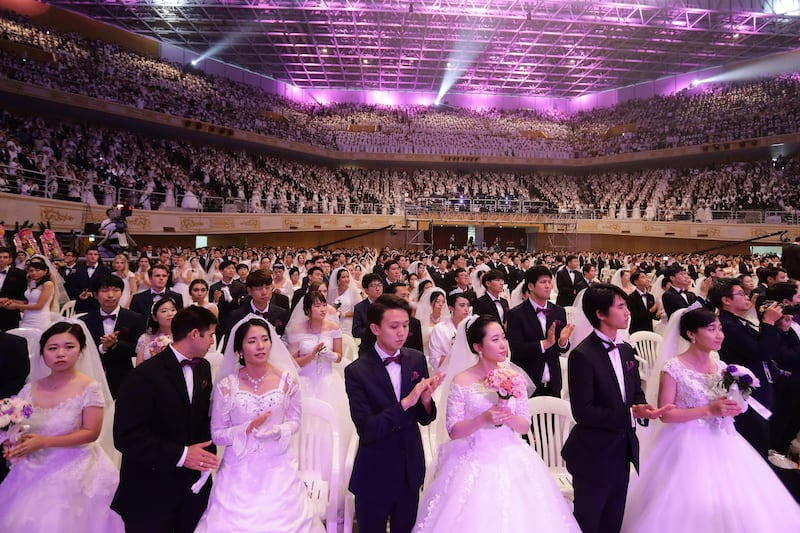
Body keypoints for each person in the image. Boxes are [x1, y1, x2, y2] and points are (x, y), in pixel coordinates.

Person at [621, 309, 800, 532]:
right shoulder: (674, 368)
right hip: (684, 441)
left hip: (724, 439)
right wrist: (708, 410)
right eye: (711, 329)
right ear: (691, 334)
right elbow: (666, 414)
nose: (719, 335)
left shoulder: (724, 368)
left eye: (720, 329)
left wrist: (733, 406)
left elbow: (727, 405)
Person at [413, 315, 580, 533]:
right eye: (495, 339)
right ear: (477, 346)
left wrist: (506, 416)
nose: (503, 344)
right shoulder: (461, 381)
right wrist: (483, 418)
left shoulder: (514, 377)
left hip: (511, 454)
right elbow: (454, 430)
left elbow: (524, 426)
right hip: (472, 458)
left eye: (503, 337)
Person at [195, 316, 324, 532]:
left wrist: (280, 429)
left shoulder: (287, 380)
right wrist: (243, 430)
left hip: (278, 466)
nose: (260, 345)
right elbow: (217, 434)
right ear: (239, 350)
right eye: (252, 341)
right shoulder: (227, 385)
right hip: (238, 471)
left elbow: (295, 421)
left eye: (265, 339)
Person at [562, 283, 671, 533]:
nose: (627, 311)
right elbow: (584, 412)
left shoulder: (625, 349)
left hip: (621, 449)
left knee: (614, 521)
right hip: (593, 453)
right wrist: (631, 414)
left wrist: (643, 407)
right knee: (590, 522)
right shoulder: (583, 355)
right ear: (600, 314)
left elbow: (634, 391)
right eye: (620, 307)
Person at [0, 321, 124, 532]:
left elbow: (91, 433)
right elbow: (17, 426)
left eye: (69, 347)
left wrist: (44, 442)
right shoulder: (30, 389)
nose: (60, 354)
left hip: (75, 465)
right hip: (32, 463)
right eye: (52, 348)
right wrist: (10, 443)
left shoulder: (90, 388)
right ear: (42, 353)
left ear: (80, 350)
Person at [112, 306, 220, 533]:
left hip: (191, 485)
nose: (212, 341)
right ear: (194, 334)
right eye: (210, 335)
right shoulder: (144, 376)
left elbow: (199, 419)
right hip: (150, 486)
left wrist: (204, 461)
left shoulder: (203, 367)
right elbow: (125, 438)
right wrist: (181, 455)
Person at [345, 294, 444, 533]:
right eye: (394, 326)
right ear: (375, 328)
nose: (402, 332)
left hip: (410, 469)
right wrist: (406, 403)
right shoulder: (357, 371)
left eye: (405, 325)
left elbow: (424, 417)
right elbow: (367, 429)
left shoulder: (416, 358)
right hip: (375, 471)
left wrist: (426, 400)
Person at [709, 277, 782, 458]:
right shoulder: (727, 325)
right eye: (741, 294)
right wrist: (768, 322)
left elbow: (768, 348)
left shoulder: (737, 321)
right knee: (755, 441)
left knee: (763, 436)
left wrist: (780, 327)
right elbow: (761, 352)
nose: (747, 297)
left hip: (758, 384)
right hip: (747, 391)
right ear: (726, 300)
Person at [283, 290, 353, 475]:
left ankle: (329, 472)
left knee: (330, 429)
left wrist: (329, 355)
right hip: (305, 383)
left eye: (323, 305)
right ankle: (303, 470)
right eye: (317, 305)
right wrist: (311, 356)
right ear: (307, 309)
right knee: (306, 430)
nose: (322, 309)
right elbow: (293, 362)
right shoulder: (296, 330)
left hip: (329, 382)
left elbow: (338, 357)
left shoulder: (333, 327)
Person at [507, 265, 574, 398]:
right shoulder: (516, 314)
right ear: (531, 286)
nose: (548, 286)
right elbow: (517, 349)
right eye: (543, 282)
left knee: (554, 418)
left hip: (553, 381)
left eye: (549, 282)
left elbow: (562, 349)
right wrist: (545, 343)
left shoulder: (558, 311)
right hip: (527, 381)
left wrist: (563, 342)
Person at [80, 275, 145, 398]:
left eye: (115, 290)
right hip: (92, 375)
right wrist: (102, 348)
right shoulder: (85, 321)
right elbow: (82, 351)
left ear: (121, 293)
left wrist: (115, 344)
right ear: (95, 294)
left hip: (124, 375)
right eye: (105, 291)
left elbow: (137, 349)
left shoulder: (135, 318)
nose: (110, 295)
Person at [6, 257, 57, 331]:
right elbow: (28, 302)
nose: (33, 273)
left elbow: (39, 306)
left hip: (39, 319)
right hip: (27, 317)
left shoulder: (48, 284)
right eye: (31, 271)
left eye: (37, 270)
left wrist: (16, 306)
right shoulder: (32, 282)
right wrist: (11, 301)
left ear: (45, 271)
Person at [427, 292, 471, 371]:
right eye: (462, 305)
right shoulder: (440, 329)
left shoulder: (473, 327)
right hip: (447, 372)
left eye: (468, 305)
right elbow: (435, 359)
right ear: (451, 308)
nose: (466, 309)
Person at [135, 296, 178, 366]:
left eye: (173, 310)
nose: (170, 314)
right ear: (155, 317)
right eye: (164, 311)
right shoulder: (145, 339)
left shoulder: (183, 337)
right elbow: (138, 368)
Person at [67, 247, 111, 315]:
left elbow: (106, 288)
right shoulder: (79, 270)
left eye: (95, 254)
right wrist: (80, 293)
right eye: (90, 254)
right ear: (86, 256)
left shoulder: (105, 271)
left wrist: (91, 294)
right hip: (81, 306)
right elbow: (72, 288)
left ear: (98, 256)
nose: (93, 256)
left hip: (98, 305)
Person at [0, 246, 27, 331]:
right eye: (0, 257)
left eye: (5, 257)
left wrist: (8, 301)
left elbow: (22, 297)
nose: (2, 259)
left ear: (10, 259)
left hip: (10, 315)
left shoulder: (19, 274)